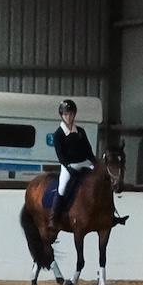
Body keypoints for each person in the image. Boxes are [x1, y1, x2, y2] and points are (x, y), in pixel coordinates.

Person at [51, 98, 95, 229]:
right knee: (62, 187)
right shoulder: (58, 134)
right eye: (65, 114)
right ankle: (53, 218)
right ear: (62, 115)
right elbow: (60, 155)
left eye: (70, 114)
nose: (68, 117)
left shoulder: (80, 131)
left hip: (85, 163)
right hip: (69, 165)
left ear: (74, 114)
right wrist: (68, 167)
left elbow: (88, 150)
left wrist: (95, 163)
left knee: (100, 181)